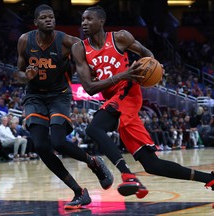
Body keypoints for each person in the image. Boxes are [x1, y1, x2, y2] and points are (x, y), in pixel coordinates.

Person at [71, 5, 214, 198]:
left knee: (94, 128)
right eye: (82, 20)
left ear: (101, 21)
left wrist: (152, 69)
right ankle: (209, 179)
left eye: (89, 19)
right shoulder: (79, 48)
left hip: (129, 92)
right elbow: (88, 87)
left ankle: (128, 176)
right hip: (114, 99)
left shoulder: (120, 37)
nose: (84, 23)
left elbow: (148, 54)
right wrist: (123, 74)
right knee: (153, 165)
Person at [15, 4, 115, 209]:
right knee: (41, 146)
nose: (49, 20)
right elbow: (18, 74)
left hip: (59, 96)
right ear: (35, 22)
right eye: (43, 18)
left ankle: (93, 162)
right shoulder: (25, 40)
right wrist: (27, 76)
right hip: (34, 96)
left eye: (51, 17)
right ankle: (79, 192)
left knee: (59, 142)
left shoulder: (68, 42)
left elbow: (90, 61)